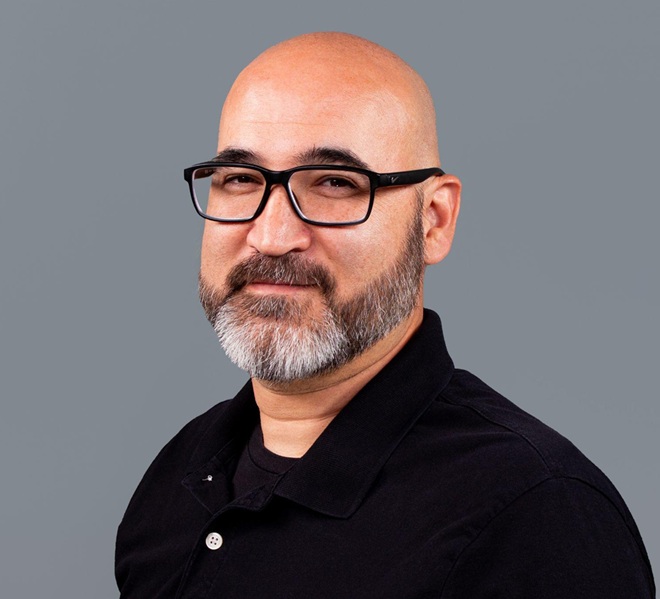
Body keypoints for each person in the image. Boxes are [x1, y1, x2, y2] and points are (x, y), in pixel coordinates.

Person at [115, 32, 655, 598]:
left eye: (336, 183)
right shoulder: (182, 472)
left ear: (434, 220)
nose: (272, 236)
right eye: (241, 180)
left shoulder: (536, 517)